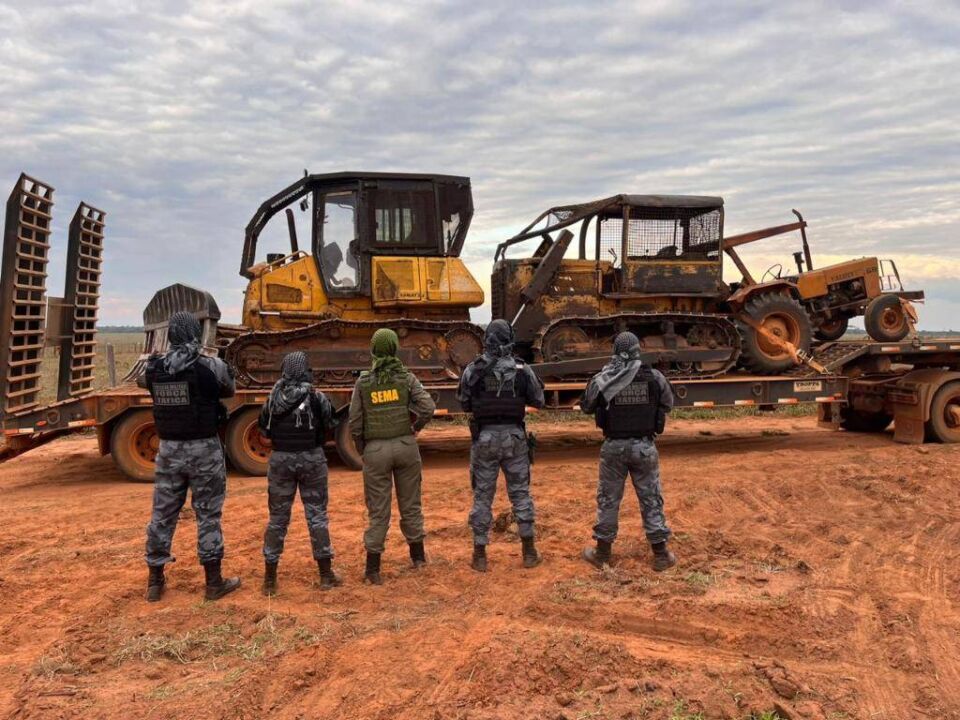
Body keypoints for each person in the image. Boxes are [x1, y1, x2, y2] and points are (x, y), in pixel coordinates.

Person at [143, 311, 241, 602]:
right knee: (208, 514)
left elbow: (149, 386)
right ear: (195, 334)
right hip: (204, 449)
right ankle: (213, 583)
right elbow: (229, 389)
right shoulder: (211, 366)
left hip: (169, 449)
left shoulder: (154, 368)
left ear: (171, 334)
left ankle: (154, 582)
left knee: (162, 514)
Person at [580, 331, 677, 572]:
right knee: (651, 498)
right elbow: (667, 404)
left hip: (613, 448)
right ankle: (661, 554)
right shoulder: (654, 377)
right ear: (637, 351)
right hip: (644, 447)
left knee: (608, 500)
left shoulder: (604, 378)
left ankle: (602, 553)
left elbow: (587, 406)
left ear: (615, 352)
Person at [348, 328, 436, 585]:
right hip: (406, 446)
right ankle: (418, 559)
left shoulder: (363, 382)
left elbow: (355, 422)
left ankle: (373, 570)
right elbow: (428, 407)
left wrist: (364, 449)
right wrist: (414, 428)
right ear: (395, 348)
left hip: (375, 451)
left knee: (378, 512)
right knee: (411, 505)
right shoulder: (406, 378)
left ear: (374, 349)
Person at [457, 320, 545, 572]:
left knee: (482, 496)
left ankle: (480, 556)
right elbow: (538, 400)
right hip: (515, 439)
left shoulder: (474, 370)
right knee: (520, 494)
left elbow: (464, 402)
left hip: (484, 439)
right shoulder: (522, 369)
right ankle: (529, 552)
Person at [258, 351, 340, 595]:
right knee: (317, 516)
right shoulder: (317, 397)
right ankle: (326, 576)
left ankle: (270, 580)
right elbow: (330, 427)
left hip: (281, 460)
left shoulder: (272, 399)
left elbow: (263, 435)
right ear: (305, 369)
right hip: (312, 458)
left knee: (277, 519)